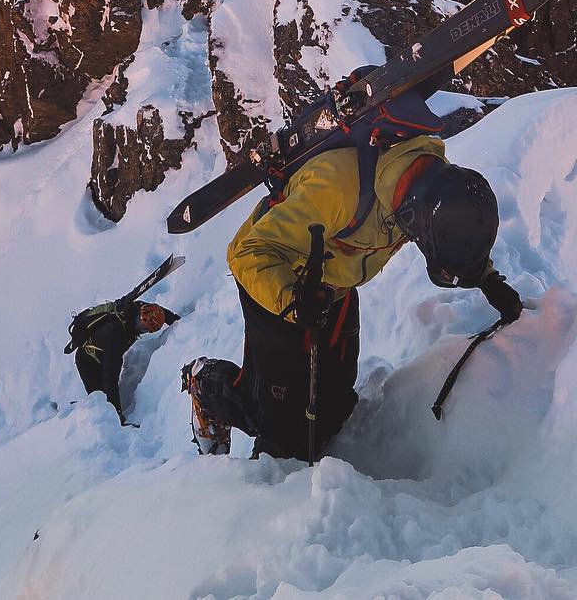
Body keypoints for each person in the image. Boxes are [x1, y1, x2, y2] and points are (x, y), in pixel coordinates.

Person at [182, 131, 521, 459]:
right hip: (277, 280)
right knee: (281, 431)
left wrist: (486, 278)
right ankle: (207, 387)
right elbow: (248, 253)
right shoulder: (337, 190)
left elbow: (453, 231)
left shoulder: (428, 184)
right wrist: (293, 302)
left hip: (334, 285)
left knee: (335, 406)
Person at [66, 298, 179, 425]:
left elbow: (159, 312)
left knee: (104, 396)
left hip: (103, 351)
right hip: (88, 362)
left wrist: (175, 320)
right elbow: (111, 377)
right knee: (99, 401)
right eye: (142, 326)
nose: (142, 329)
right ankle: (82, 417)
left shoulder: (136, 308)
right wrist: (118, 414)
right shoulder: (117, 336)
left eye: (146, 329)